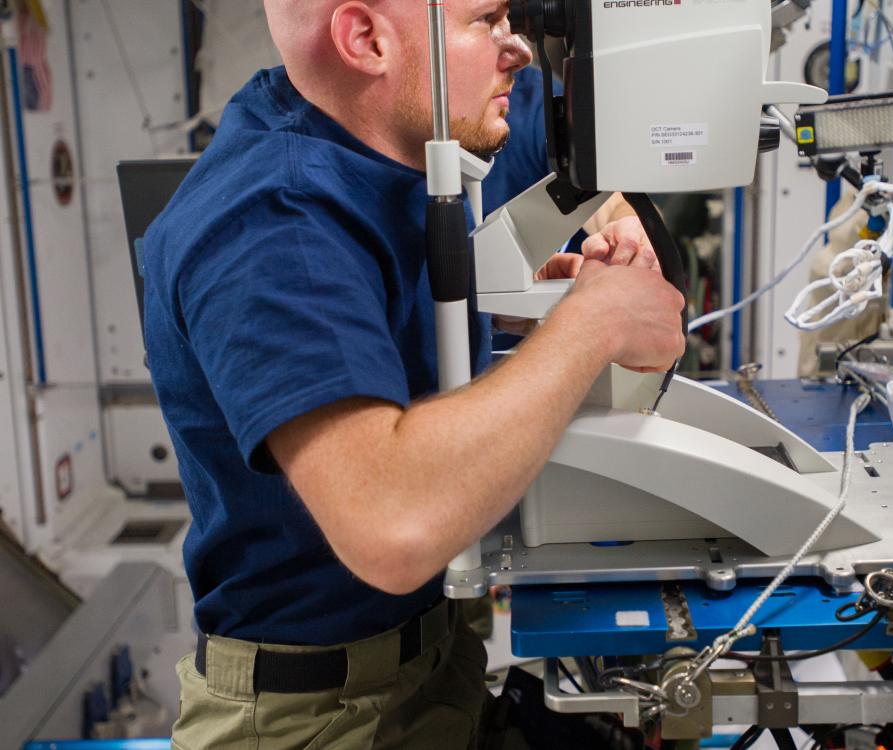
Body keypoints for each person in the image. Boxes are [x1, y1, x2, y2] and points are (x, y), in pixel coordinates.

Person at [145, 1, 685, 748]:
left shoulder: (392, 141)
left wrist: (559, 285)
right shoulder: (270, 224)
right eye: (485, 20)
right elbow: (391, 524)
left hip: (434, 667)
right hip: (318, 717)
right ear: (366, 40)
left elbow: (368, 319)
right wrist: (591, 325)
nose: (518, 48)